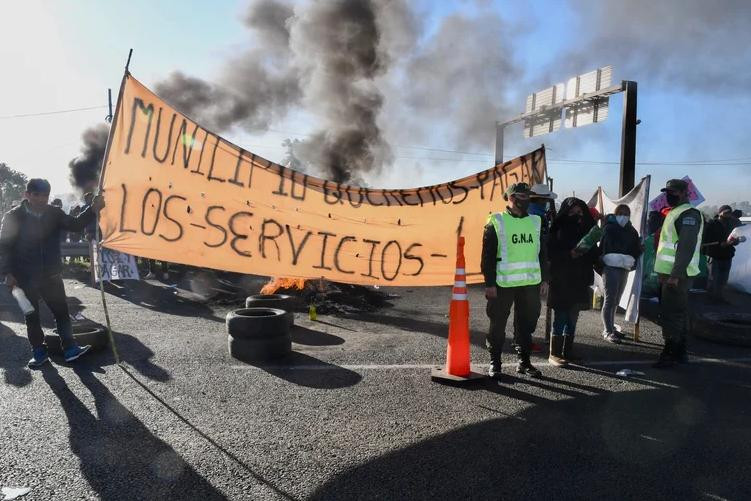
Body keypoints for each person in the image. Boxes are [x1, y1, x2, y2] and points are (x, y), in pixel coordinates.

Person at [0, 178, 105, 368]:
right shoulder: (13, 217)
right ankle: (39, 353)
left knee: (62, 313)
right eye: (37, 195)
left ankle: (70, 348)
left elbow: (75, 225)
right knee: (32, 316)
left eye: (45, 195)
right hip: (24, 277)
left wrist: (92, 209)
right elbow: (4, 247)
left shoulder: (54, 213)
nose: (42, 199)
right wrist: (6, 272)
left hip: (51, 274)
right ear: (27, 194)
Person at [481, 182, 547, 379]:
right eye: (521, 196)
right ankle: (495, 363)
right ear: (511, 198)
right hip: (503, 284)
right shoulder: (497, 221)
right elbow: (487, 256)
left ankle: (524, 363)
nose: (526, 200)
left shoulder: (536, 221)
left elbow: (542, 254)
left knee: (526, 325)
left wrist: (545, 279)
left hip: (530, 283)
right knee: (497, 325)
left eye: (528, 196)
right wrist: (489, 283)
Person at [653, 179, 703, 368]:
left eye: (672, 192)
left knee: (672, 315)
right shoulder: (674, 212)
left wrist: (675, 274)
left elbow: (686, 246)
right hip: (670, 274)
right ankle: (680, 352)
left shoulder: (689, 213)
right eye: (667, 191)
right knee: (676, 314)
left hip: (678, 275)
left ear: (683, 193)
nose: (668, 195)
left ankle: (670, 354)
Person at [547, 198, 597, 366]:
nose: (577, 215)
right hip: (561, 280)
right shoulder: (557, 229)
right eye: (572, 212)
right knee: (560, 317)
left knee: (573, 318)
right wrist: (570, 255)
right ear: (565, 213)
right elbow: (550, 255)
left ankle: (568, 351)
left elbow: (594, 254)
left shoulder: (585, 230)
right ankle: (554, 353)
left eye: (580, 212)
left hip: (579, 281)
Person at [599, 204, 642, 342]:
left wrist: (640, 249)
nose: (623, 216)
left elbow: (634, 249)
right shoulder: (608, 228)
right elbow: (602, 248)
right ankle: (607, 331)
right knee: (609, 299)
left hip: (624, 267)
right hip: (610, 267)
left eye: (626, 213)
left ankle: (611, 328)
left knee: (616, 300)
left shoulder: (632, 231)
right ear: (616, 213)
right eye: (621, 213)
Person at [703, 205, 741, 302]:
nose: (728, 214)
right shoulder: (712, 224)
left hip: (727, 255)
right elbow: (705, 240)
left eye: (729, 212)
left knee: (723, 280)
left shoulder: (731, 225)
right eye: (726, 212)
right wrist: (720, 244)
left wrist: (735, 241)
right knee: (713, 279)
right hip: (714, 256)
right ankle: (710, 299)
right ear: (720, 213)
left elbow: (734, 237)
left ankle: (719, 298)